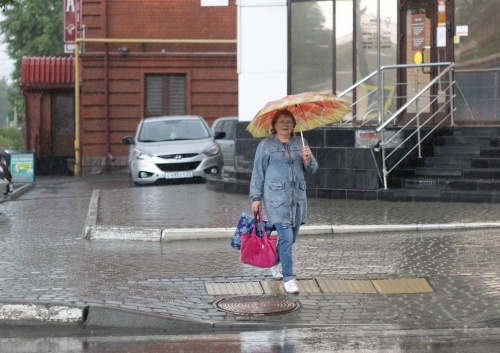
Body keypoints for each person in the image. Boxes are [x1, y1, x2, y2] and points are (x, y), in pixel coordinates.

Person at [249, 108, 318, 294]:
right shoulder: (266, 146)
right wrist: (256, 197)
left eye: (289, 121)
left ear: (294, 125)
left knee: (291, 238)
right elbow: (258, 172)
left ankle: (273, 262)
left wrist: (307, 159)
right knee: (286, 237)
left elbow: (313, 169)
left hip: (297, 201)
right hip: (276, 200)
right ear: (274, 126)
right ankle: (289, 278)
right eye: (281, 122)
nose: (285, 125)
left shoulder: (301, 143)